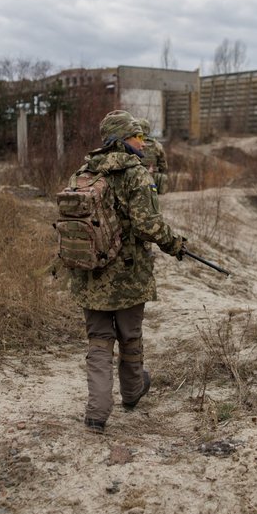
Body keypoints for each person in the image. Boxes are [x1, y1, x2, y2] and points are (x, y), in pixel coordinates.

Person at [67, 109, 187, 434]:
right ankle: (132, 394)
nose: (141, 142)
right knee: (130, 338)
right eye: (135, 136)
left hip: (90, 274)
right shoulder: (135, 173)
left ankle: (96, 414)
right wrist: (175, 244)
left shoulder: (83, 171)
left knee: (99, 341)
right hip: (129, 276)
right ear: (120, 140)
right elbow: (147, 225)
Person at [135, 117, 170, 194]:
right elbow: (163, 166)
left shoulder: (133, 143)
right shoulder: (157, 145)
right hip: (152, 181)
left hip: (135, 180)